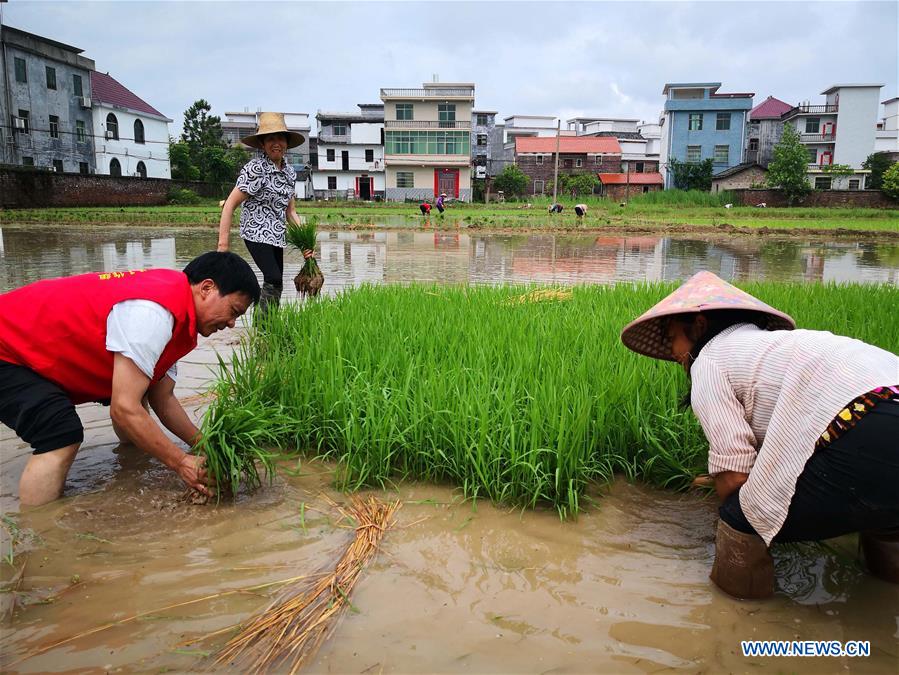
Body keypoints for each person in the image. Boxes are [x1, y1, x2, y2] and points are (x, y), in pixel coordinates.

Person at [620, 271, 899, 599]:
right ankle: (888, 584)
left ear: (697, 326)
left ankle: (738, 621)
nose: (673, 351)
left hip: (865, 429)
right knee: (886, 518)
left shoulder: (710, 360)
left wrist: (730, 506)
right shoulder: (773, 348)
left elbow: (736, 475)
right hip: (883, 403)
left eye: (672, 338)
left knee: (741, 517)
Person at [0, 252, 261, 506]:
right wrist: (182, 463)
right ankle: (40, 535)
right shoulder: (153, 313)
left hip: (36, 349)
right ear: (206, 288)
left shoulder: (178, 312)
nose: (231, 324)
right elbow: (124, 408)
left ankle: (130, 463)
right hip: (7, 348)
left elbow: (163, 398)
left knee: (140, 390)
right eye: (234, 311)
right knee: (59, 433)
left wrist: (206, 445)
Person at [217, 112, 313, 315]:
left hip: (276, 235)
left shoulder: (289, 173)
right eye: (270, 138)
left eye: (280, 138)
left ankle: (270, 323)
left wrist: (306, 243)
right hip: (255, 231)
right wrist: (222, 247)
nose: (276, 143)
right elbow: (230, 205)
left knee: (277, 281)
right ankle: (263, 326)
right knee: (273, 277)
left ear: (287, 143)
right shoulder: (255, 169)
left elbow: (291, 212)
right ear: (262, 144)